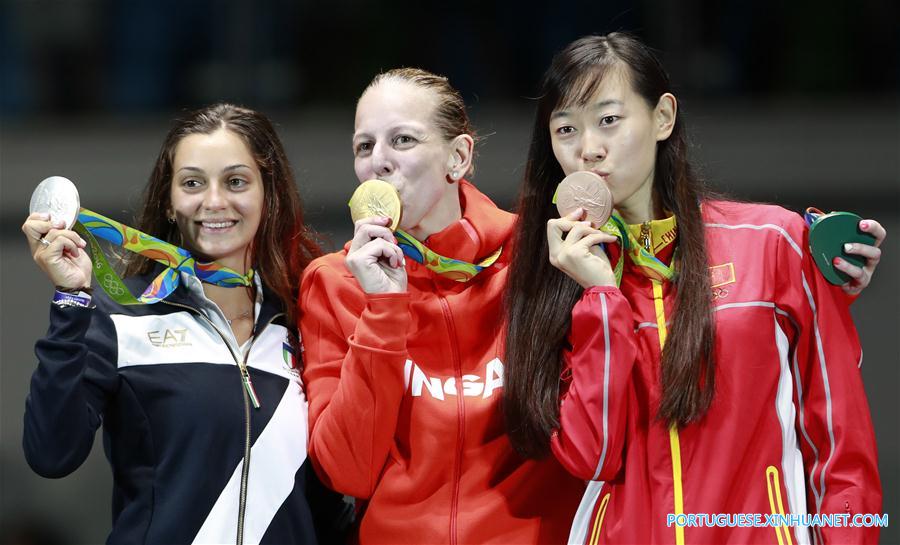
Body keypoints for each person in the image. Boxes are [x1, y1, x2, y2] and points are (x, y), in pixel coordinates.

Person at [503, 33, 884, 545]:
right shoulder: (555, 277)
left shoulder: (773, 243)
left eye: (609, 120)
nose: (588, 148)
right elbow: (591, 455)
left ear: (663, 117)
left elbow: (840, 440)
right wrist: (600, 298)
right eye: (565, 128)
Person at [21, 103, 347, 544]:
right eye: (193, 182)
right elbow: (51, 454)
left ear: (268, 196)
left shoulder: (302, 322)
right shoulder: (122, 315)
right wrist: (72, 299)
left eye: (235, 181)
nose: (214, 201)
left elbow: (323, 502)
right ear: (170, 203)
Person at [299, 68, 586, 543]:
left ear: (458, 156)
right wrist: (384, 309)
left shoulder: (541, 260)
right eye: (364, 146)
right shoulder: (335, 282)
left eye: (403, 140)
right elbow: (347, 471)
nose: (379, 163)